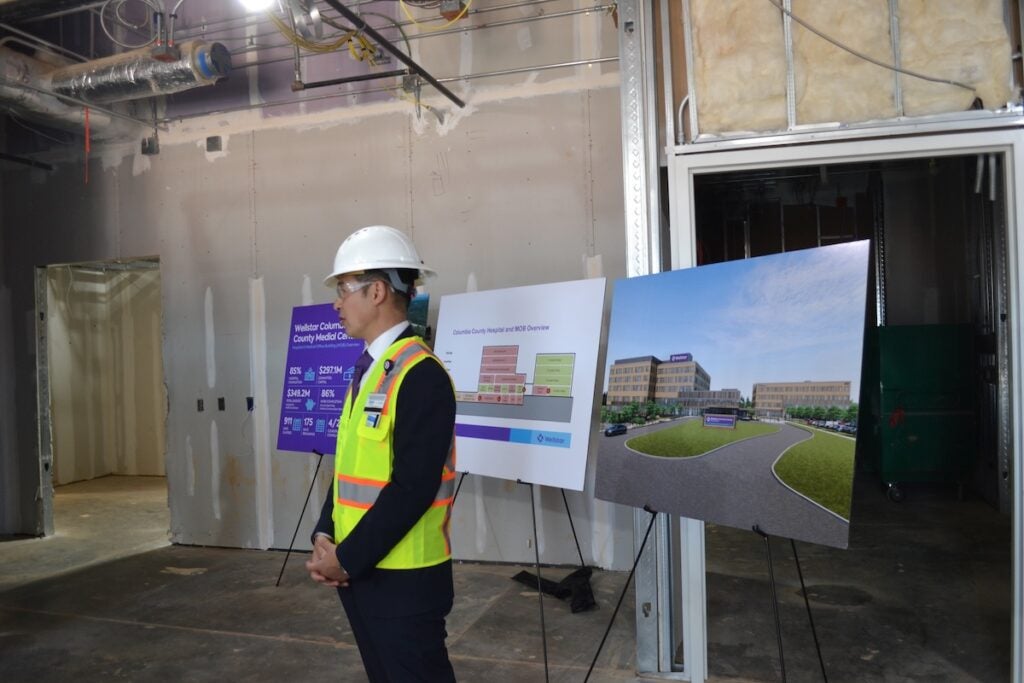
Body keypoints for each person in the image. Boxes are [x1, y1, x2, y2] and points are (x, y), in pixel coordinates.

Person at [305, 225, 457, 682]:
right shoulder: (369, 370)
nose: (336, 302)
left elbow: (412, 488)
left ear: (376, 292)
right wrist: (325, 531)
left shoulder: (420, 374)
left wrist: (346, 559)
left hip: (404, 580)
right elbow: (350, 465)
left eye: (343, 289)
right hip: (364, 572)